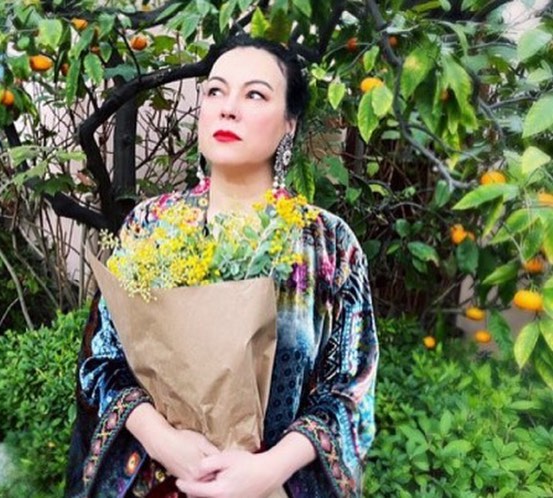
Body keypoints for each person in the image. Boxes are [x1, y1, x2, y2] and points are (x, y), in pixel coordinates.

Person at [66, 35, 379, 498]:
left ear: (289, 124)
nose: (228, 109)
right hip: (161, 482)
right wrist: (163, 440)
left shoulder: (328, 245)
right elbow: (102, 361)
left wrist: (268, 469)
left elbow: (350, 390)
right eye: (215, 91)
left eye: (255, 95)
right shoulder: (151, 226)